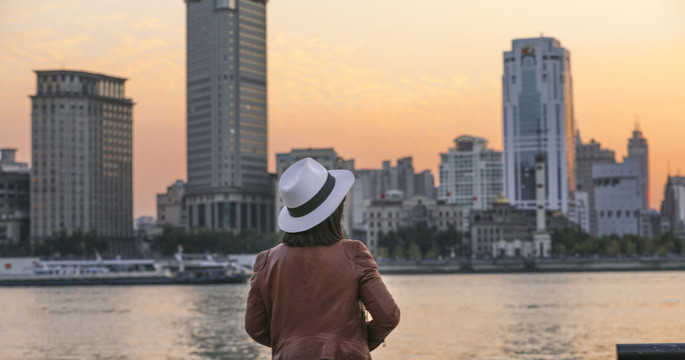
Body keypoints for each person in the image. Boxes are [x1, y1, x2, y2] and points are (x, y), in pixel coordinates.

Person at [245, 157, 400, 359]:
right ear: (336, 211)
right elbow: (388, 316)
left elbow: (255, 328)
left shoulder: (266, 261)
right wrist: (355, 344)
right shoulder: (353, 253)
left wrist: (291, 346)